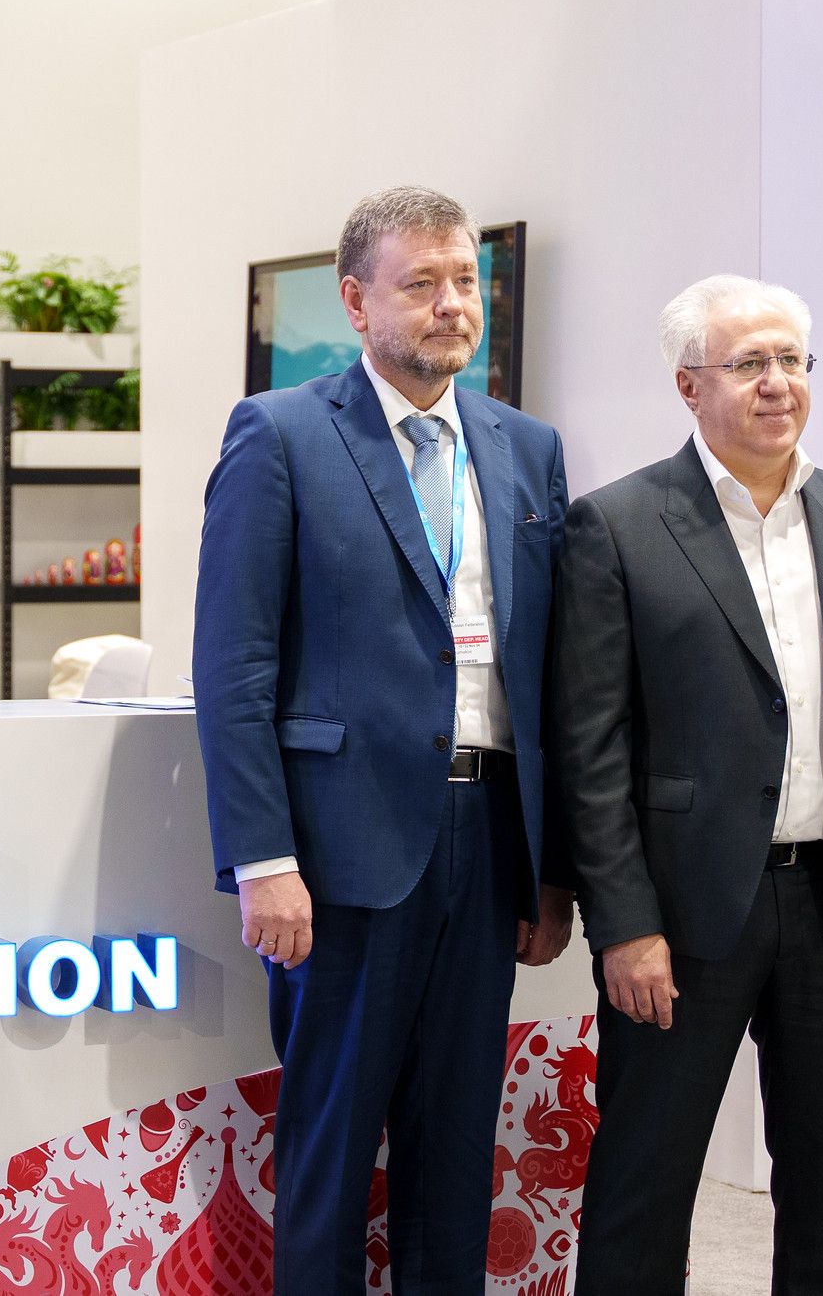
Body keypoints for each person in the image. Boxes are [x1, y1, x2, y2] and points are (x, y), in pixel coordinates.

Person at [193, 186, 573, 1293]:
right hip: (340, 853)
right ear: (357, 303)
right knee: (330, 1142)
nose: (452, 304)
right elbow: (235, 669)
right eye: (422, 284)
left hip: (487, 836)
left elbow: (542, 668)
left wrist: (551, 871)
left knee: (458, 1145)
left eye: (465, 282)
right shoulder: (281, 433)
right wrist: (263, 861)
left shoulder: (526, 447)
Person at [548, 274, 823, 1294]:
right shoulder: (619, 526)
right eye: (748, 364)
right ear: (689, 386)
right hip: (682, 919)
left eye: (791, 361)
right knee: (645, 1179)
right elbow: (589, 746)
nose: (777, 384)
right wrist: (623, 924)